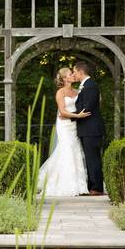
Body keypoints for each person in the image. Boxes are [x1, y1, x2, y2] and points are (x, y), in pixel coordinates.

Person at [36, 67, 91, 198]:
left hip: (75, 125)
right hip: (65, 126)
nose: (73, 75)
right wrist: (78, 116)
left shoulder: (77, 91)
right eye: (70, 74)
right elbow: (62, 112)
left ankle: (80, 185)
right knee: (66, 149)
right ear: (65, 78)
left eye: (73, 74)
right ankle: (66, 184)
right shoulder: (60, 93)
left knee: (76, 150)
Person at [72, 60, 106, 196]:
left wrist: (69, 116)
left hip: (91, 129)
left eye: (74, 71)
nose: (74, 74)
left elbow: (87, 109)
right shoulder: (85, 85)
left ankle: (96, 188)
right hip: (87, 129)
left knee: (93, 159)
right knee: (91, 158)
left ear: (81, 72)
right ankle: (92, 185)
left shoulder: (90, 86)